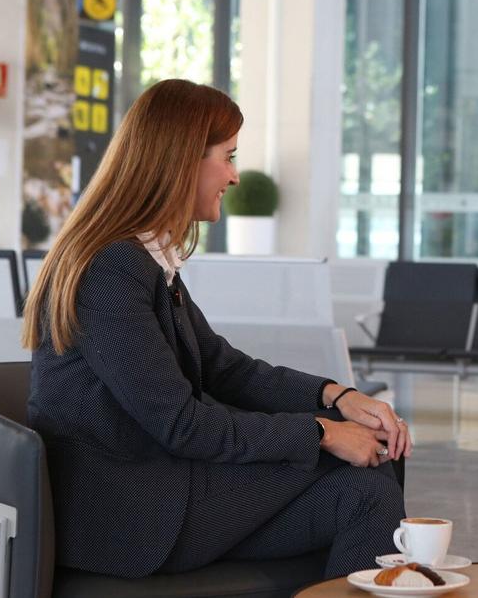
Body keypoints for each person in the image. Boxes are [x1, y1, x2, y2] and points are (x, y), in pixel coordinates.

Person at [23, 79, 411, 580]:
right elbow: (181, 424)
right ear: (182, 162)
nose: (234, 175)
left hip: (161, 484)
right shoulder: (111, 270)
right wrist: (321, 432)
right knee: (365, 473)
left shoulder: (143, 258)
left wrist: (338, 397)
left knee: (368, 474)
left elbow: (225, 370)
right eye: (227, 157)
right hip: (129, 513)